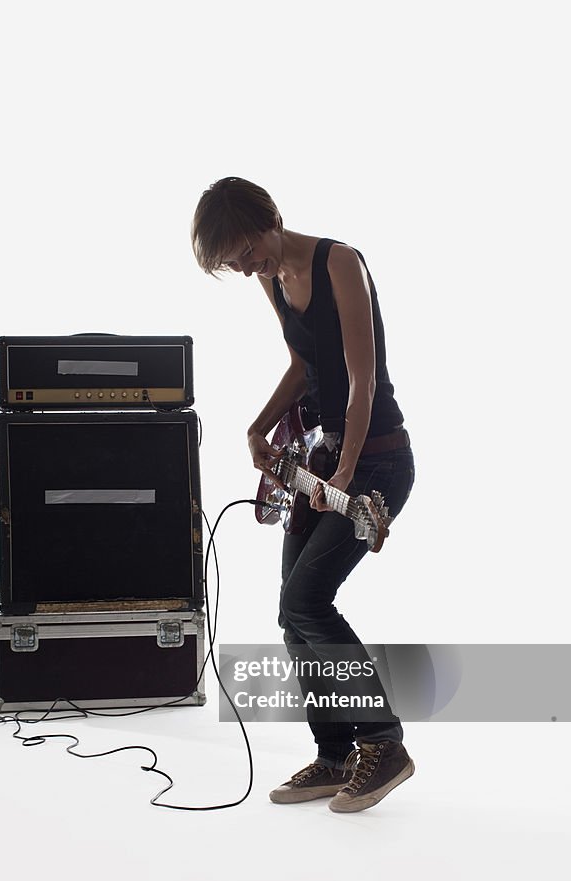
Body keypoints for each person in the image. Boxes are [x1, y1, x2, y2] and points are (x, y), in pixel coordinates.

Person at [191, 176, 416, 813]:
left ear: (268, 220)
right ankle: (336, 753)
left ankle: (384, 742)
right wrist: (258, 427)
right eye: (230, 263)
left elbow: (361, 373)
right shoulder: (271, 279)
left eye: (244, 252)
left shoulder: (339, 261)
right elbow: (302, 365)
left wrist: (346, 470)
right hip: (318, 463)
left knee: (308, 600)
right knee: (292, 615)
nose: (242, 267)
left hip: (377, 460)